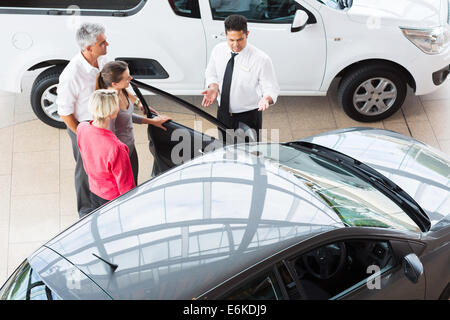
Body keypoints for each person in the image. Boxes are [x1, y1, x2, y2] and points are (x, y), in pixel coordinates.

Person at [56, 22, 109, 217]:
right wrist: (83, 135)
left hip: (101, 122)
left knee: (101, 164)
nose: (107, 45)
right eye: (103, 43)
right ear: (88, 48)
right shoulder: (71, 75)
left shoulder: (101, 60)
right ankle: (86, 212)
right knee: (85, 168)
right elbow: (64, 112)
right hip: (83, 127)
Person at [201, 14, 280, 143]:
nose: (235, 45)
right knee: (225, 147)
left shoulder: (261, 59)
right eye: (231, 40)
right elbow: (211, 72)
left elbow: (271, 88)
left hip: (248, 116)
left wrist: (267, 98)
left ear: (247, 34)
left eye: (240, 39)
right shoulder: (218, 50)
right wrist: (213, 87)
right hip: (223, 114)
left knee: (250, 154)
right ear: (226, 35)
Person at [96, 61, 171, 185]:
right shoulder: (111, 107)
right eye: (127, 78)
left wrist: (148, 116)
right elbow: (109, 138)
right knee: (127, 188)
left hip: (130, 146)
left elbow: (127, 116)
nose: (130, 79)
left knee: (133, 182)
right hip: (121, 155)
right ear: (115, 83)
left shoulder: (122, 91)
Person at [77, 90, 135, 210]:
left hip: (93, 189)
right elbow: (126, 187)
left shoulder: (82, 128)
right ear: (112, 113)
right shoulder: (117, 148)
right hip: (112, 199)